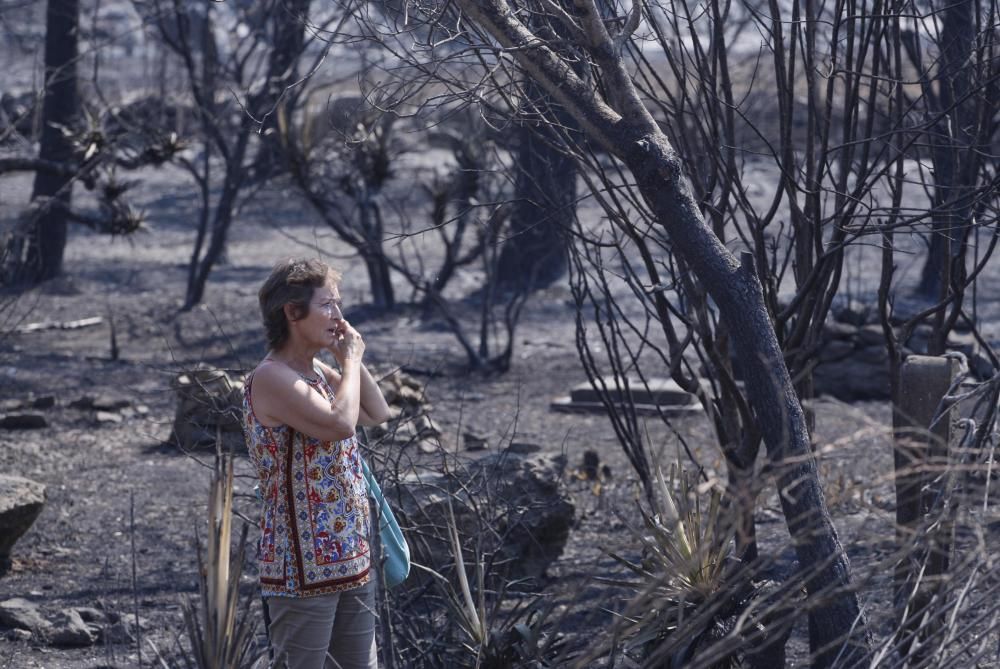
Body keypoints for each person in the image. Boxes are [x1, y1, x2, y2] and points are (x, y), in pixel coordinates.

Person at [242, 257, 391, 669]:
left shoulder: (315, 372)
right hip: (300, 573)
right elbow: (341, 424)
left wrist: (348, 358)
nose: (338, 316)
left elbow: (377, 411)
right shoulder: (272, 377)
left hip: (351, 560)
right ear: (292, 312)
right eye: (327, 305)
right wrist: (349, 362)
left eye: (338, 304)